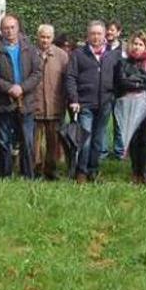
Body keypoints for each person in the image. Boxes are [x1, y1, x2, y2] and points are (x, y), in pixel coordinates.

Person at [65, 21, 121, 183]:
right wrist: (74, 99)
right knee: (86, 139)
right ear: (88, 36)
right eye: (93, 34)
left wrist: (114, 96)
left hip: (105, 103)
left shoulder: (113, 54)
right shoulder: (78, 54)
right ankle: (81, 171)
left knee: (98, 140)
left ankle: (93, 170)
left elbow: (119, 77)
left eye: (99, 34)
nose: (96, 37)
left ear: (105, 36)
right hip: (84, 104)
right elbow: (71, 77)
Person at [0, 14, 43, 178]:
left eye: (12, 27)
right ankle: (6, 175)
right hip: (3, 102)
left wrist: (22, 88)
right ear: (1, 30)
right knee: (4, 141)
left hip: (26, 102)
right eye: (6, 28)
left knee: (27, 141)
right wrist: (9, 88)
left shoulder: (29, 48)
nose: (9, 31)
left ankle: (28, 175)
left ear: (18, 28)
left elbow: (37, 73)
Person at [116, 31, 146, 184]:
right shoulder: (125, 62)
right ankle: (134, 171)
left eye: (140, 44)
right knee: (133, 138)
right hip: (130, 102)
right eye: (135, 44)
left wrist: (136, 79)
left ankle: (143, 171)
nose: (137, 47)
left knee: (144, 138)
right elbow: (122, 81)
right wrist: (142, 81)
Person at [34, 24, 70, 180]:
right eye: (42, 37)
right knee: (34, 143)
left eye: (48, 37)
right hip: (35, 106)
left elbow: (67, 80)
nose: (45, 40)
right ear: (37, 37)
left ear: (53, 38)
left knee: (53, 142)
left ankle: (51, 170)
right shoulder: (30, 53)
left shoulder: (62, 55)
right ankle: (35, 170)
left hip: (55, 106)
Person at [106, 20, 128, 159]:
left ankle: (120, 151)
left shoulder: (125, 49)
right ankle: (102, 151)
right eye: (108, 29)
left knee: (119, 122)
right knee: (102, 123)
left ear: (119, 32)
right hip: (105, 90)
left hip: (120, 91)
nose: (109, 32)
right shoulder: (100, 47)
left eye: (112, 30)